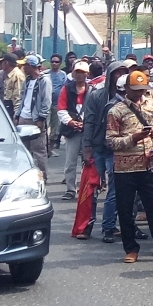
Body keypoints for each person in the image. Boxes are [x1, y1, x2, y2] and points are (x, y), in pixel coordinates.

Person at [106, 70, 153, 264]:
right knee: (126, 210)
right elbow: (111, 141)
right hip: (124, 169)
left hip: (149, 165)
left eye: (142, 90)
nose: (138, 94)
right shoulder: (115, 111)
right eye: (135, 90)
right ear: (126, 88)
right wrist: (133, 138)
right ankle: (131, 249)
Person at [82, 61, 130, 243]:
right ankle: (87, 224)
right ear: (110, 75)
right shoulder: (96, 96)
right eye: (117, 73)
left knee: (115, 189)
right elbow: (89, 122)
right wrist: (86, 148)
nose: (120, 76)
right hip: (97, 147)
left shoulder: (128, 99)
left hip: (115, 149)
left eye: (123, 73)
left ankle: (108, 226)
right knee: (92, 189)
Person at [57, 60, 90, 201]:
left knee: (88, 160)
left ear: (87, 74)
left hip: (88, 130)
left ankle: (88, 187)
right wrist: (71, 123)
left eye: (82, 72)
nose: (80, 75)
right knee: (70, 162)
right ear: (73, 73)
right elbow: (61, 109)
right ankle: (71, 189)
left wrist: (85, 124)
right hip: (71, 131)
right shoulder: (66, 89)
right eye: (77, 72)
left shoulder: (92, 91)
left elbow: (94, 110)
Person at [16, 55, 52, 178]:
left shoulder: (44, 81)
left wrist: (41, 118)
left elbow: (46, 101)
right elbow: (23, 99)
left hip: (35, 119)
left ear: (31, 66)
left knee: (39, 150)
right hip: (23, 117)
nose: (23, 67)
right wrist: (17, 114)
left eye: (25, 65)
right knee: (24, 150)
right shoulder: (27, 80)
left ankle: (43, 176)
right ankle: (26, 175)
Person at [46, 54, 68, 158]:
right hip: (46, 105)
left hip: (56, 104)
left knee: (55, 129)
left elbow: (65, 88)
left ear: (60, 63)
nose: (54, 63)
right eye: (52, 61)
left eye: (56, 62)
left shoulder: (63, 74)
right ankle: (43, 149)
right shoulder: (45, 74)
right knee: (44, 128)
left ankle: (50, 150)